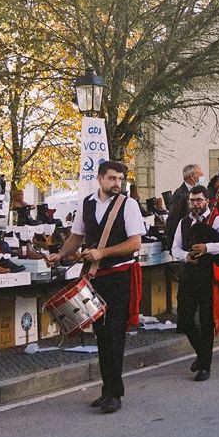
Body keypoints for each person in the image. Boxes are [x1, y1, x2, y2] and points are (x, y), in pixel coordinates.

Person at [45, 161, 145, 412]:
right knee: (101, 334)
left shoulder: (128, 205)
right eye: (112, 178)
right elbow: (77, 236)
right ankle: (107, 389)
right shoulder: (87, 204)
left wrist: (103, 252)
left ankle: (115, 393)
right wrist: (60, 254)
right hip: (95, 276)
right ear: (100, 179)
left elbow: (135, 243)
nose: (117, 184)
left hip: (120, 276)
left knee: (114, 333)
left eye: (120, 179)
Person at [170, 185, 219, 379]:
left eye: (199, 200)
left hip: (208, 277)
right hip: (188, 276)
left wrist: (207, 247)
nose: (195, 204)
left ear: (206, 201)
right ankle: (202, 354)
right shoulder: (184, 222)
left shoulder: (217, 221)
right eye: (192, 200)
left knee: (206, 321)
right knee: (184, 319)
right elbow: (175, 248)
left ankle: (205, 366)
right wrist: (185, 256)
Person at [163, 163, 204, 250]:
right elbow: (172, 221)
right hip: (185, 242)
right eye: (200, 175)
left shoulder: (197, 192)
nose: (202, 177)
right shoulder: (179, 195)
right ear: (192, 176)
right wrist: (173, 246)